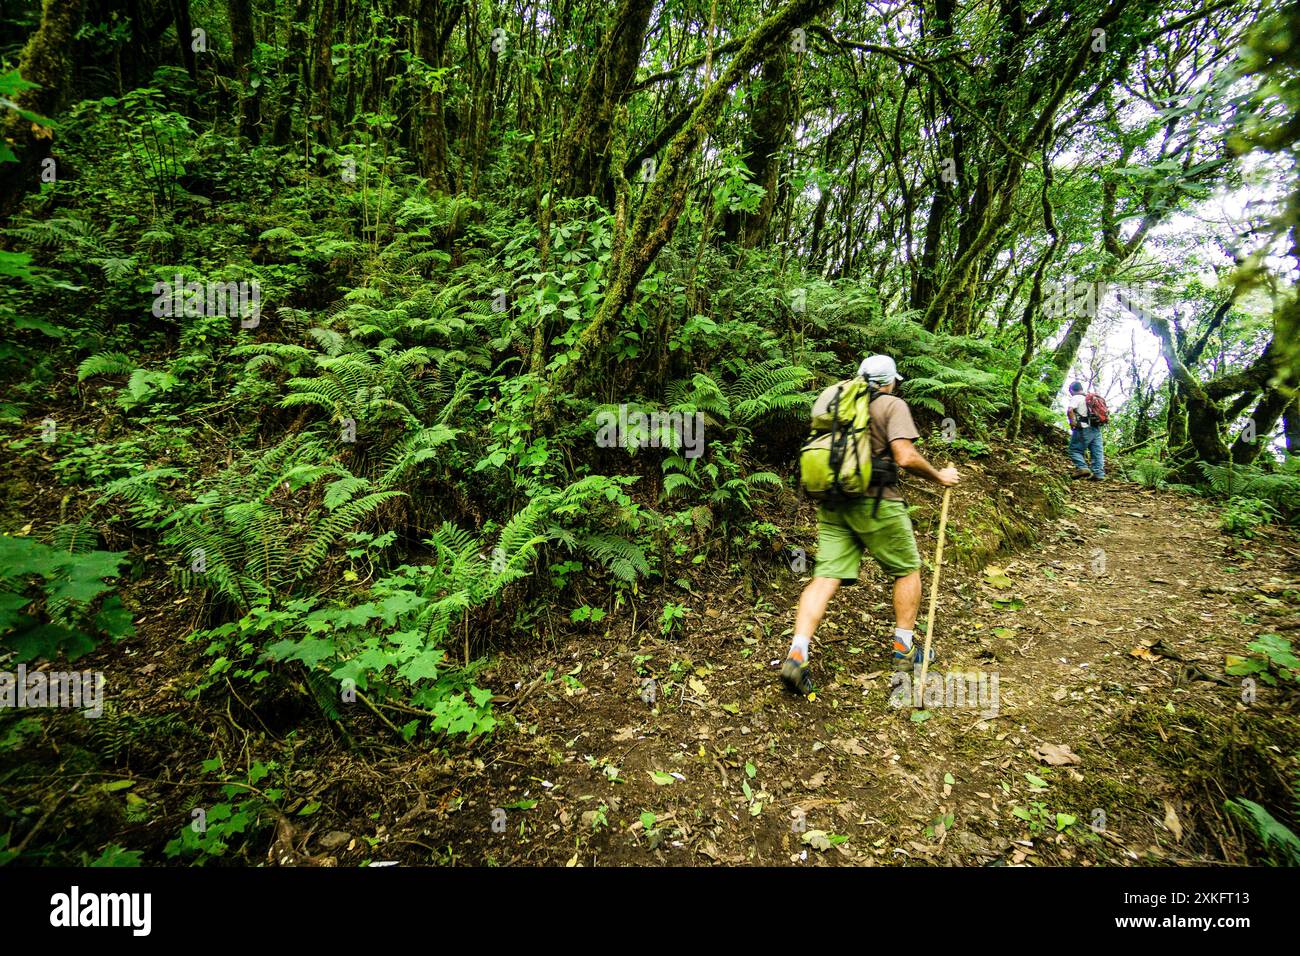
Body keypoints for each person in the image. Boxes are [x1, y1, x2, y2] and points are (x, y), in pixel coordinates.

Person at [780, 354, 960, 696]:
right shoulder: (892, 405)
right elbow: (904, 457)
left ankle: (797, 652)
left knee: (824, 577)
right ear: (890, 382)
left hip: (833, 501)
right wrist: (940, 476)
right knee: (907, 569)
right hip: (877, 501)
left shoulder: (839, 399)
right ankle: (904, 650)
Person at [1066, 381, 1105, 481]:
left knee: (1074, 449)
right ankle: (1098, 474)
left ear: (1072, 390)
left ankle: (1082, 467)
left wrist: (1072, 422)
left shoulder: (1076, 397)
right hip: (1096, 428)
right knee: (1097, 451)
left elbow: (1070, 410)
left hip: (1084, 427)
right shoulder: (1090, 397)